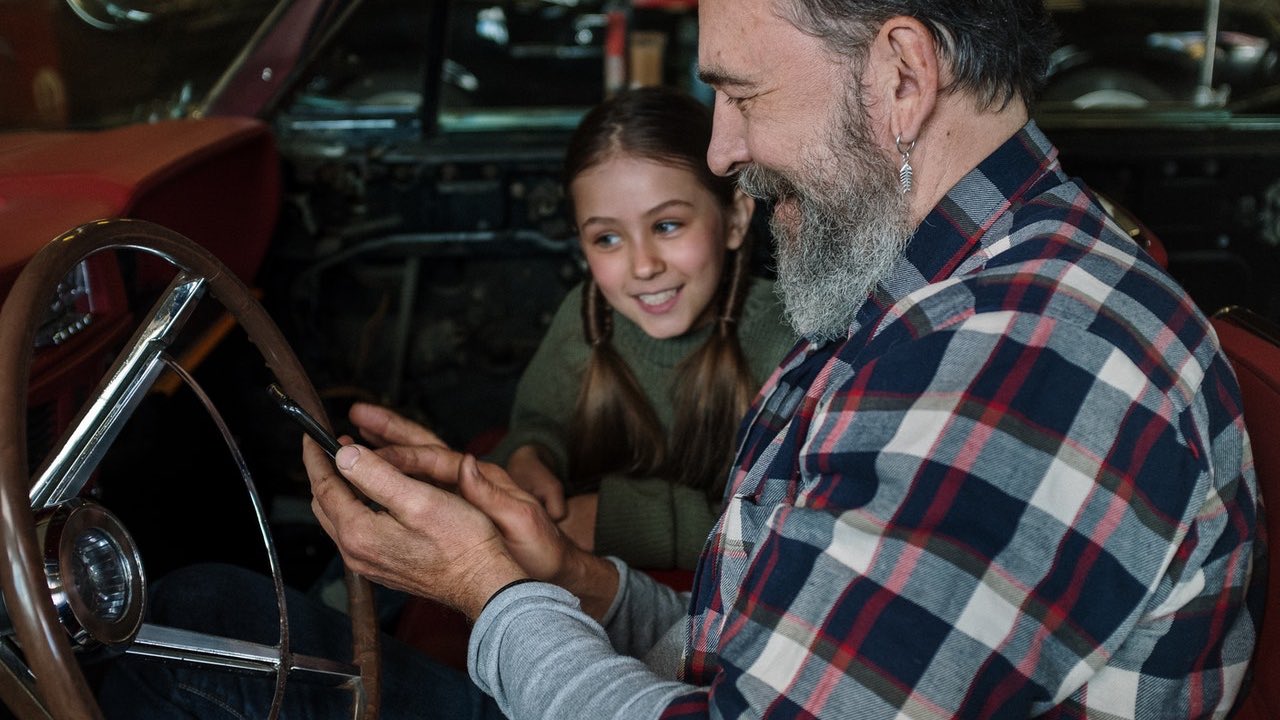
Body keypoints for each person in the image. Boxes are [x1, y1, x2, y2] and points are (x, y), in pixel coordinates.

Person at [105, 1, 1261, 717]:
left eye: (741, 92)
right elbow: (765, 652)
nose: (722, 148)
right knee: (206, 612)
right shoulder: (916, 302)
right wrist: (563, 576)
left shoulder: (1026, 368)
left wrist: (491, 597)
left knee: (172, 660)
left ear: (900, 77)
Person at [488, 85, 795, 570]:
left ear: (735, 218)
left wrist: (612, 520)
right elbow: (541, 422)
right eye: (607, 238)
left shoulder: (788, 342)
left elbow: (789, 524)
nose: (643, 265)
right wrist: (531, 455)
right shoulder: (586, 319)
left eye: (667, 226)